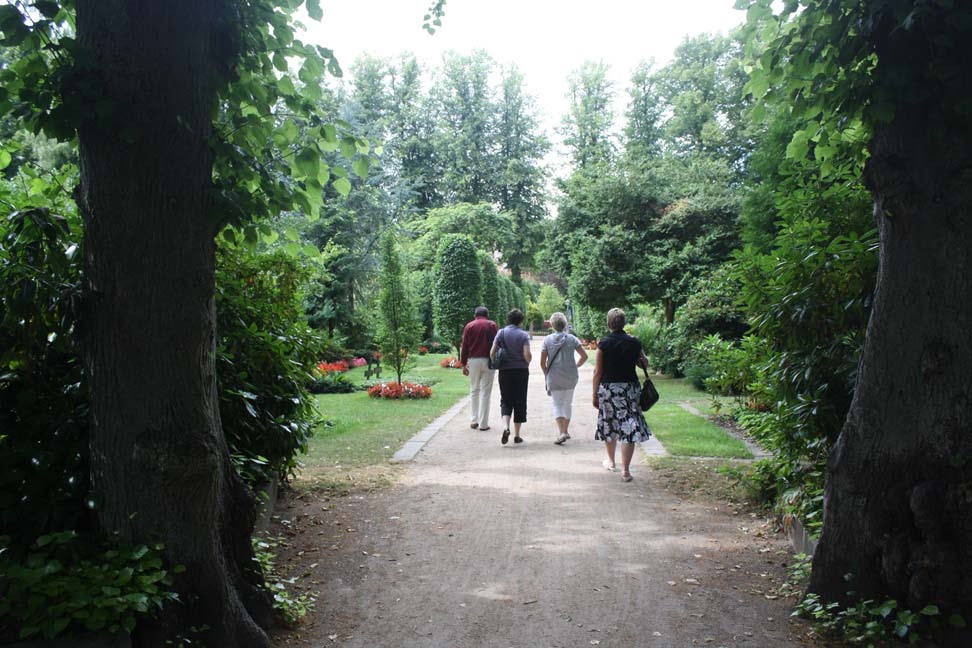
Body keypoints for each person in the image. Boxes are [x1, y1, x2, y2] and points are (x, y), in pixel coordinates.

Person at [592, 307, 652, 482]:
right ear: (623, 323)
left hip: (609, 388)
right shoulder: (634, 342)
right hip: (630, 388)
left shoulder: (603, 343)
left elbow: (598, 371)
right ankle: (626, 470)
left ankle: (611, 461)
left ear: (609, 323)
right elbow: (644, 364)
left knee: (609, 422)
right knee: (629, 424)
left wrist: (595, 393)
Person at [540, 311, 588, 445]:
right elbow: (584, 356)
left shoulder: (547, 340)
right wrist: (576, 366)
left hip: (554, 376)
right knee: (568, 403)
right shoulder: (572, 339)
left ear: (552, 325)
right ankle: (565, 431)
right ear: (565, 324)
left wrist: (546, 374)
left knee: (557, 404)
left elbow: (542, 363)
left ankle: (561, 432)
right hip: (570, 376)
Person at [490, 308, 532, 445]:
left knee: (506, 400)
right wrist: (528, 360)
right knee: (520, 400)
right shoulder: (523, 335)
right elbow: (527, 355)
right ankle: (517, 435)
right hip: (521, 371)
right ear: (521, 320)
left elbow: (492, 353)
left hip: (505, 371)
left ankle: (506, 427)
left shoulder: (501, 333)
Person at [460, 306, 498, 431]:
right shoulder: (492, 325)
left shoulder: (469, 326)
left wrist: (463, 364)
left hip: (473, 360)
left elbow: (465, 346)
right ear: (487, 314)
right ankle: (483, 423)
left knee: (474, 390)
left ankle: (474, 420)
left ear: (475, 315)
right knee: (485, 393)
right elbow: (496, 343)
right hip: (488, 360)